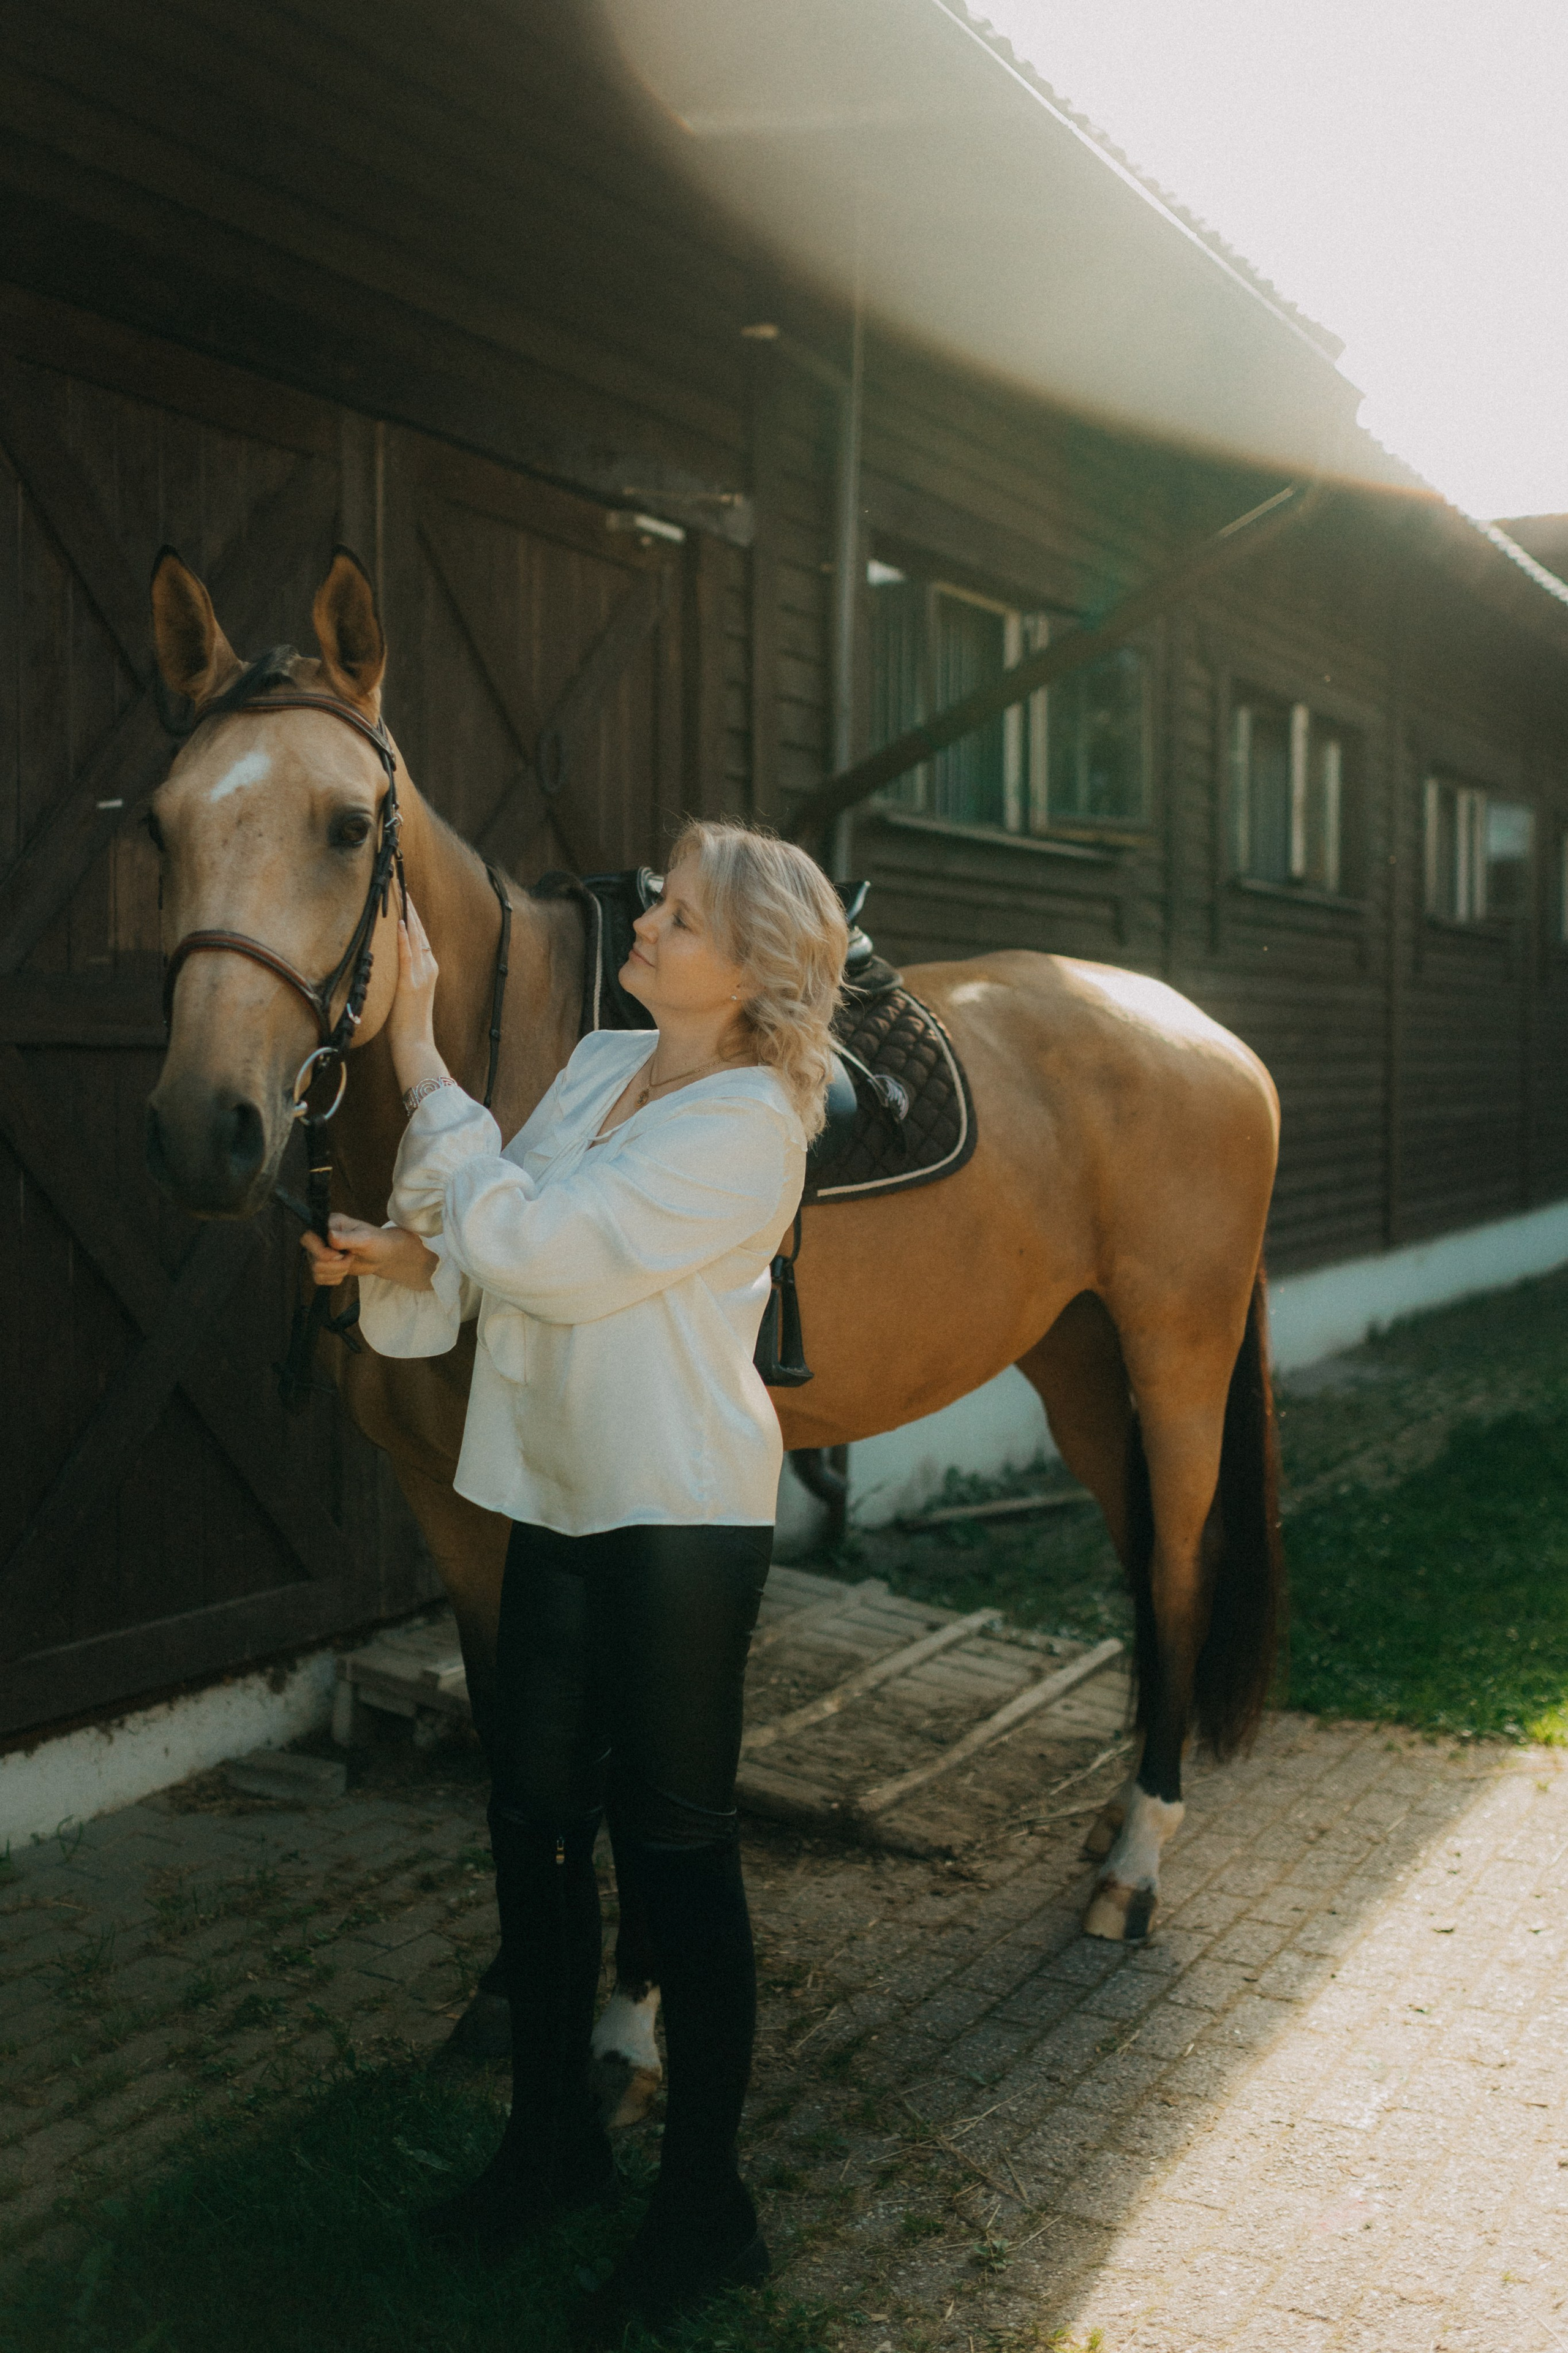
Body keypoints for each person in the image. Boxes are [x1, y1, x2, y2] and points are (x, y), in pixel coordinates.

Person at [303, 818, 848, 2343]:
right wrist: (407, 1261)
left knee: (676, 1855)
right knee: (533, 1822)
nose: (651, 922)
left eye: (682, 915)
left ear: (751, 973)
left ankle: (703, 2216)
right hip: (546, 1489)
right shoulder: (611, 1062)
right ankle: (548, 2149)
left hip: (672, 1523)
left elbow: (549, 1242)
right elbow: (494, 1246)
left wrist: (415, 1045)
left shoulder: (750, 1124)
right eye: (662, 903)